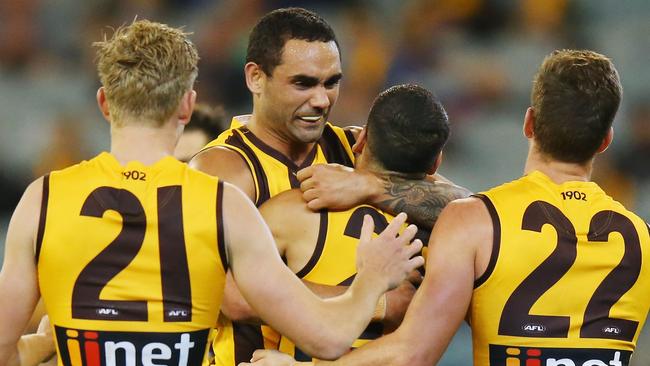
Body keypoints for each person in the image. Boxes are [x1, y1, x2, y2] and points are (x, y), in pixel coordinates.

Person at [0, 19, 425, 366]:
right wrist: (372, 282)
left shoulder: (44, 199)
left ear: (104, 103)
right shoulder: (222, 205)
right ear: (187, 106)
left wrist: (44, 343)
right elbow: (328, 339)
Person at [243, 50, 650, 366]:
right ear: (605, 140)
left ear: (528, 124)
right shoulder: (641, 238)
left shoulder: (477, 222)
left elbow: (412, 353)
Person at [189, 7, 459, 365]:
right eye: (303, 83)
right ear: (256, 77)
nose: (321, 100)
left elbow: (467, 211)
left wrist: (372, 186)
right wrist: (376, 300)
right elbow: (230, 297)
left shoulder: (355, 149)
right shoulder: (222, 168)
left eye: (331, 82)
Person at [256, 84, 469, 361]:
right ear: (435, 164)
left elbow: (234, 295)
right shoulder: (452, 235)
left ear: (361, 139)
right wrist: (378, 302)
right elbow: (478, 208)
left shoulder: (291, 211)